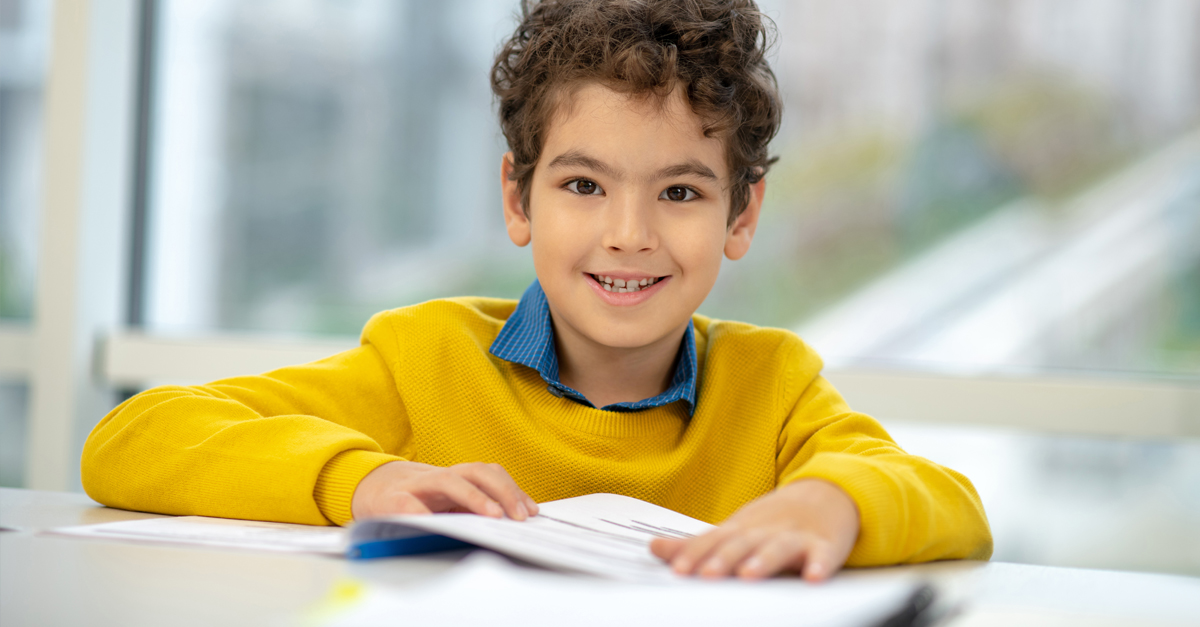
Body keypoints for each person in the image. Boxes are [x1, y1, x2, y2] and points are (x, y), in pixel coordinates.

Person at [81, 0, 992, 581]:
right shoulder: (423, 358)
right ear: (517, 197)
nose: (628, 234)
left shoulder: (775, 385)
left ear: (741, 214)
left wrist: (832, 502)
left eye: (680, 192)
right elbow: (131, 439)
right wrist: (366, 477)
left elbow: (951, 503)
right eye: (583, 185)